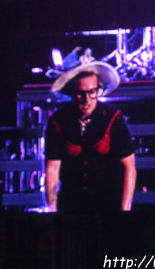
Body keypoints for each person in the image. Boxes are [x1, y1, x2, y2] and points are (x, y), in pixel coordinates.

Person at [44, 53, 136, 213]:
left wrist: (124, 210)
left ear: (98, 90)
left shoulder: (113, 118)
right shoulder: (58, 121)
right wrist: (52, 210)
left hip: (108, 203)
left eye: (92, 92)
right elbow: (52, 168)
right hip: (72, 204)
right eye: (81, 93)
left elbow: (128, 166)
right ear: (72, 92)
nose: (86, 100)